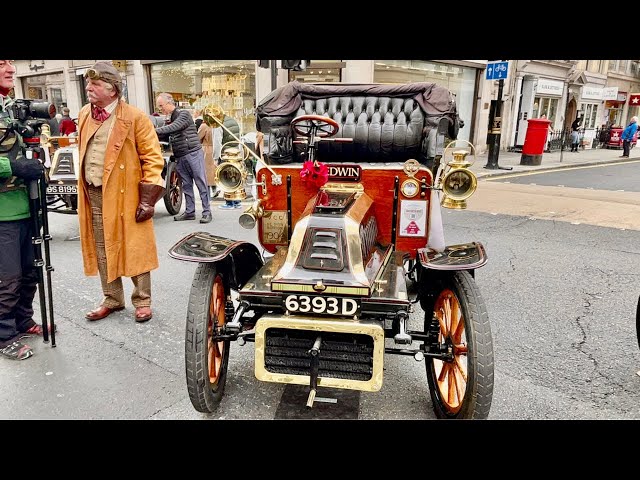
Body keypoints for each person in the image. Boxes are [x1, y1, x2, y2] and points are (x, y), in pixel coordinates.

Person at [78, 62, 166, 323]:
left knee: (134, 247)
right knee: (103, 247)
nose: (89, 88)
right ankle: (112, 298)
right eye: (88, 84)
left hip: (127, 193)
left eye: (94, 85)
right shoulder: (84, 113)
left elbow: (152, 157)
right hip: (94, 191)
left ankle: (143, 301)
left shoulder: (135, 117)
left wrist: (148, 199)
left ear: (112, 90)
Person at [0, 60, 50, 360]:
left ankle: (23, 319)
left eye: (10, 62)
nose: (10, 68)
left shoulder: (10, 106)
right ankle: (5, 334)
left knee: (31, 271)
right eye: (1, 63)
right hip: (3, 211)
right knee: (8, 277)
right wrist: (14, 166)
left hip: (27, 205)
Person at [155, 93, 212, 223]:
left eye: (161, 106)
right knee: (186, 185)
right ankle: (190, 212)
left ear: (169, 103)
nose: (160, 109)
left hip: (192, 152)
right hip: (180, 155)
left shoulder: (183, 114)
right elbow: (165, 134)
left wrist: (154, 131)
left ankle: (207, 212)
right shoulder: (170, 119)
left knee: (200, 182)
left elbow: (174, 127)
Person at [208, 106, 242, 210]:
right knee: (235, 177)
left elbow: (217, 142)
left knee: (225, 178)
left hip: (225, 153)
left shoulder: (218, 124)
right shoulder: (233, 120)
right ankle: (237, 201)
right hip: (235, 152)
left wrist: (215, 158)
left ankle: (229, 203)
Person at [197, 113, 220, 198]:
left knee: (206, 172)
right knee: (214, 171)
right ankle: (215, 189)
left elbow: (198, 137)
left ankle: (207, 193)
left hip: (206, 149)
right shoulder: (216, 125)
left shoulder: (204, 126)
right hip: (215, 148)